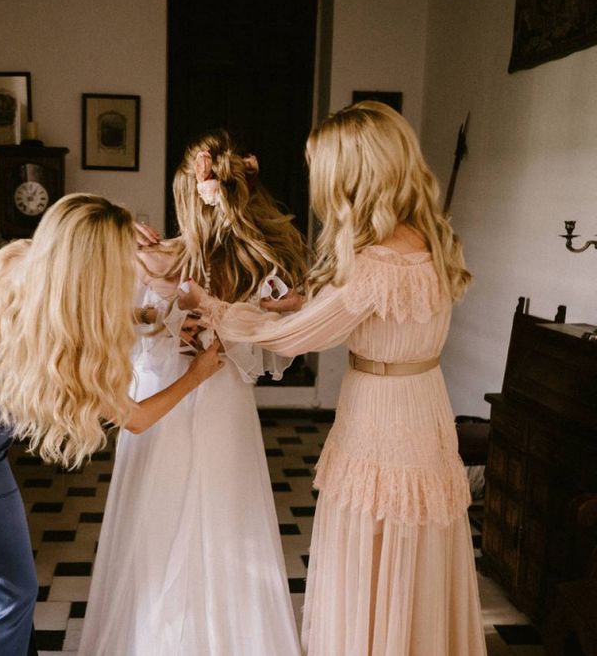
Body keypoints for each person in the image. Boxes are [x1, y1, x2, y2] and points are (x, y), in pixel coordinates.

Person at [180, 103, 487, 655]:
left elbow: (298, 337)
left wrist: (215, 308)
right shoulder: (430, 239)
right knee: (414, 544)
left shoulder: (375, 263)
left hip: (381, 418)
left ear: (354, 175)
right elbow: (355, 308)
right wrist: (303, 301)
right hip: (424, 406)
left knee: (369, 543)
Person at [0, 194, 223, 656]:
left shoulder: (20, 261)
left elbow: (68, 299)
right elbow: (136, 419)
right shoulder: (67, 334)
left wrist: (148, 317)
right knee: (10, 590)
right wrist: (197, 376)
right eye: (120, 258)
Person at [78, 131, 306, 656]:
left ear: (186, 195)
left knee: (155, 527)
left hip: (161, 402)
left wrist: (164, 325)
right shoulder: (255, 268)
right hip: (219, 402)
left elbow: (117, 335)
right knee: (228, 524)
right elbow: (271, 350)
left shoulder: (146, 260)